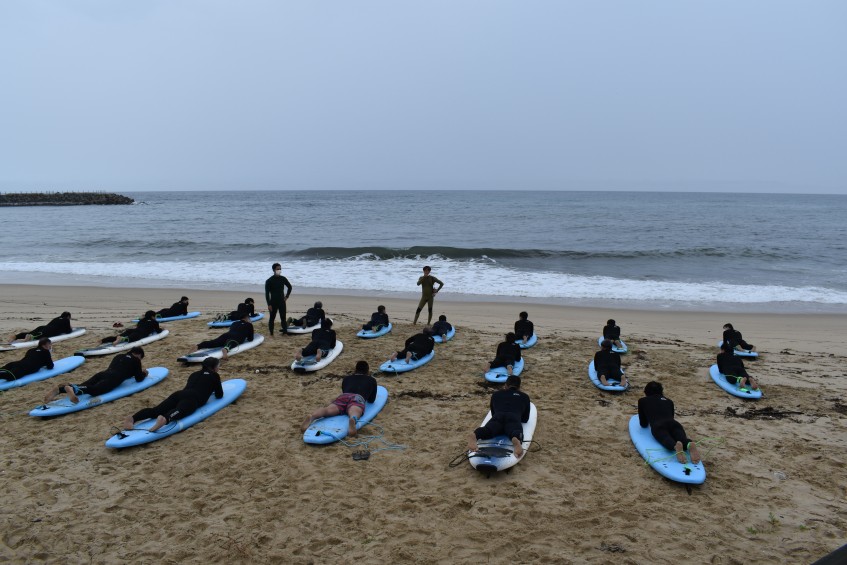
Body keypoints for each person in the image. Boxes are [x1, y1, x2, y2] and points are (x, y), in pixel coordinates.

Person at [122, 356, 223, 432]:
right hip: (192, 398)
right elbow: (219, 395)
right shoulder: (215, 375)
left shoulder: (194, 374)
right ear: (214, 367)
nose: (218, 368)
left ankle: (133, 418)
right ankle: (165, 419)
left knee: (156, 410)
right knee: (180, 411)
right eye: (218, 366)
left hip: (179, 394)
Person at [44, 347, 147, 404]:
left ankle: (60, 390)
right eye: (140, 358)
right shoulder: (136, 361)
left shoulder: (119, 355)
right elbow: (138, 378)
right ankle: (71, 388)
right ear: (138, 355)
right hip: (113, 378)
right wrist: (144, 373)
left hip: (103, 374)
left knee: (85, 387)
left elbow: (123, 368)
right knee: (94, 390)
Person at [301, 360, 377, 437]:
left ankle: (312, 416)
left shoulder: (347, 378)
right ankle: (353, 419)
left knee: (328, 410)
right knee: (355, 409)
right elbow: (372, 400)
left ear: (355, 369)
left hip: (343, 396)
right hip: (357, 397)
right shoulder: (371, 380)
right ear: (367, 371)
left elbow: (344, 391)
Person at [637, 381, 701, 464]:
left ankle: (675, 446)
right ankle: (689, 444)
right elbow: (671, 416)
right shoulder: (669, 401)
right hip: (674, 424)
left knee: (665, 438)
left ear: (646, 392)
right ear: (661, 391)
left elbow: (643, 424)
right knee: (681, 438)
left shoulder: (642, 401)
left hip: (658, 425)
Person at [467, 375, 531, 458]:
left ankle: (475, 435)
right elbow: (525, 419)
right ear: (519, 387)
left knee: (488, 430)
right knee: (514, 431)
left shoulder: (496, 394)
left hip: (498, 416)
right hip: (513, 417)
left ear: (506, 385)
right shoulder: (525, 397)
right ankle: (515, 439)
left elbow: (493, 413)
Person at [265, 263, 293, 336]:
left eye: (280, 269)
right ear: (273, 270)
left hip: (282, 301)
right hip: (273, 302)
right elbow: (267, 294)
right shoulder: (269, 281)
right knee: (272, 318)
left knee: (283, 318)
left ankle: (285, 332)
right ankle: (271, 333)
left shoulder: (283, 278)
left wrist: (287, 296)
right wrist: (269, 304)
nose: (279, 270)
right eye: (277, 269)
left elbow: (290, 287)